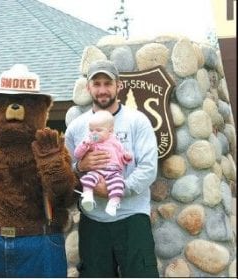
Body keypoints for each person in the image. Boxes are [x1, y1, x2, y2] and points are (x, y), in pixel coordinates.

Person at [65, 60, 159, 277]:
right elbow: (63, 172)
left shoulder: (138, 121)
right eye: (96, 84)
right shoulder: (76, 128)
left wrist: (115, 190)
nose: (102, 90)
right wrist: (80, 166)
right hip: (93, 220)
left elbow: (148, 168)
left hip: (132, 217)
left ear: (119, 85)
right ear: (88, 87)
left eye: (108, 83)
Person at [74, 110, 132, 216]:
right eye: (91, 130)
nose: (93, 133)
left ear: (110, 131)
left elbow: (122, 158)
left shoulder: (116, 143)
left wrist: (127, 157)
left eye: (98, 130)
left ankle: (113, 203)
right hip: (97, 170)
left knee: (119, 183)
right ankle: (87, 197)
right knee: (88, 178)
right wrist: (85, 144)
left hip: (113, 171)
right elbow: (77, 155)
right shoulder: (91, 144)